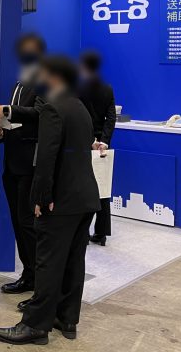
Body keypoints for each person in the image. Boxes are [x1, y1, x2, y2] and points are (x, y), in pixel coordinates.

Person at [0, 56, 101, 345]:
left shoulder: (53, 106)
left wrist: (41, 197)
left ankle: (35, 325)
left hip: (61, 200)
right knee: (73, 261)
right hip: (85, 197)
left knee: (48, 262)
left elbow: (46, 157)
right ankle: (66, 318)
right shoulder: (78, 105)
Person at [0, 33, 47, 295]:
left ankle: (38, 279)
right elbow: (18, 122)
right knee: (18, 221)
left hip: (30, 164)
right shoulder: (19, 82)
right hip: (12, 163)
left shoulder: (45, 81)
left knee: (28, 223)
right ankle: (29, 274)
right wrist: (2, 131)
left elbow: (40, 114)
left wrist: (8, 111)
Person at [78, 50, 116, 246]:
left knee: (83, 188)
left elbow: (79, 117)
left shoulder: (78, 88)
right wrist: (104, 141)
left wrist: (90, 139)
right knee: (103, 188)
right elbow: (111, 117)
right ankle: (101, 233)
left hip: (84, 143)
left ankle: (82, 233)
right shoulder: (107, 88)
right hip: (103, 145)